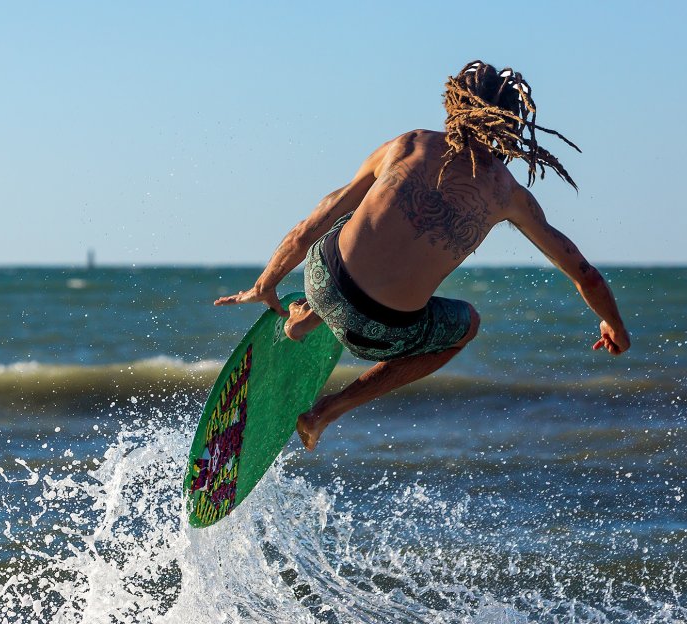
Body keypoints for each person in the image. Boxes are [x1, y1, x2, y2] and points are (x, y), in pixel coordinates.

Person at [215, 60, 631, 451]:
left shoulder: (407, 145)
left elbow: (320, 216)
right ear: (511, 123)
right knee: (466, 325)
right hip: (381, 332)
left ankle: (308, 317)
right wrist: (614, 325)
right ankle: (326, 412)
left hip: (321, 278)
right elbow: (586, 276)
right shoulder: (510, 196)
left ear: (454, 104)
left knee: (359, 209)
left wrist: (264, 283)